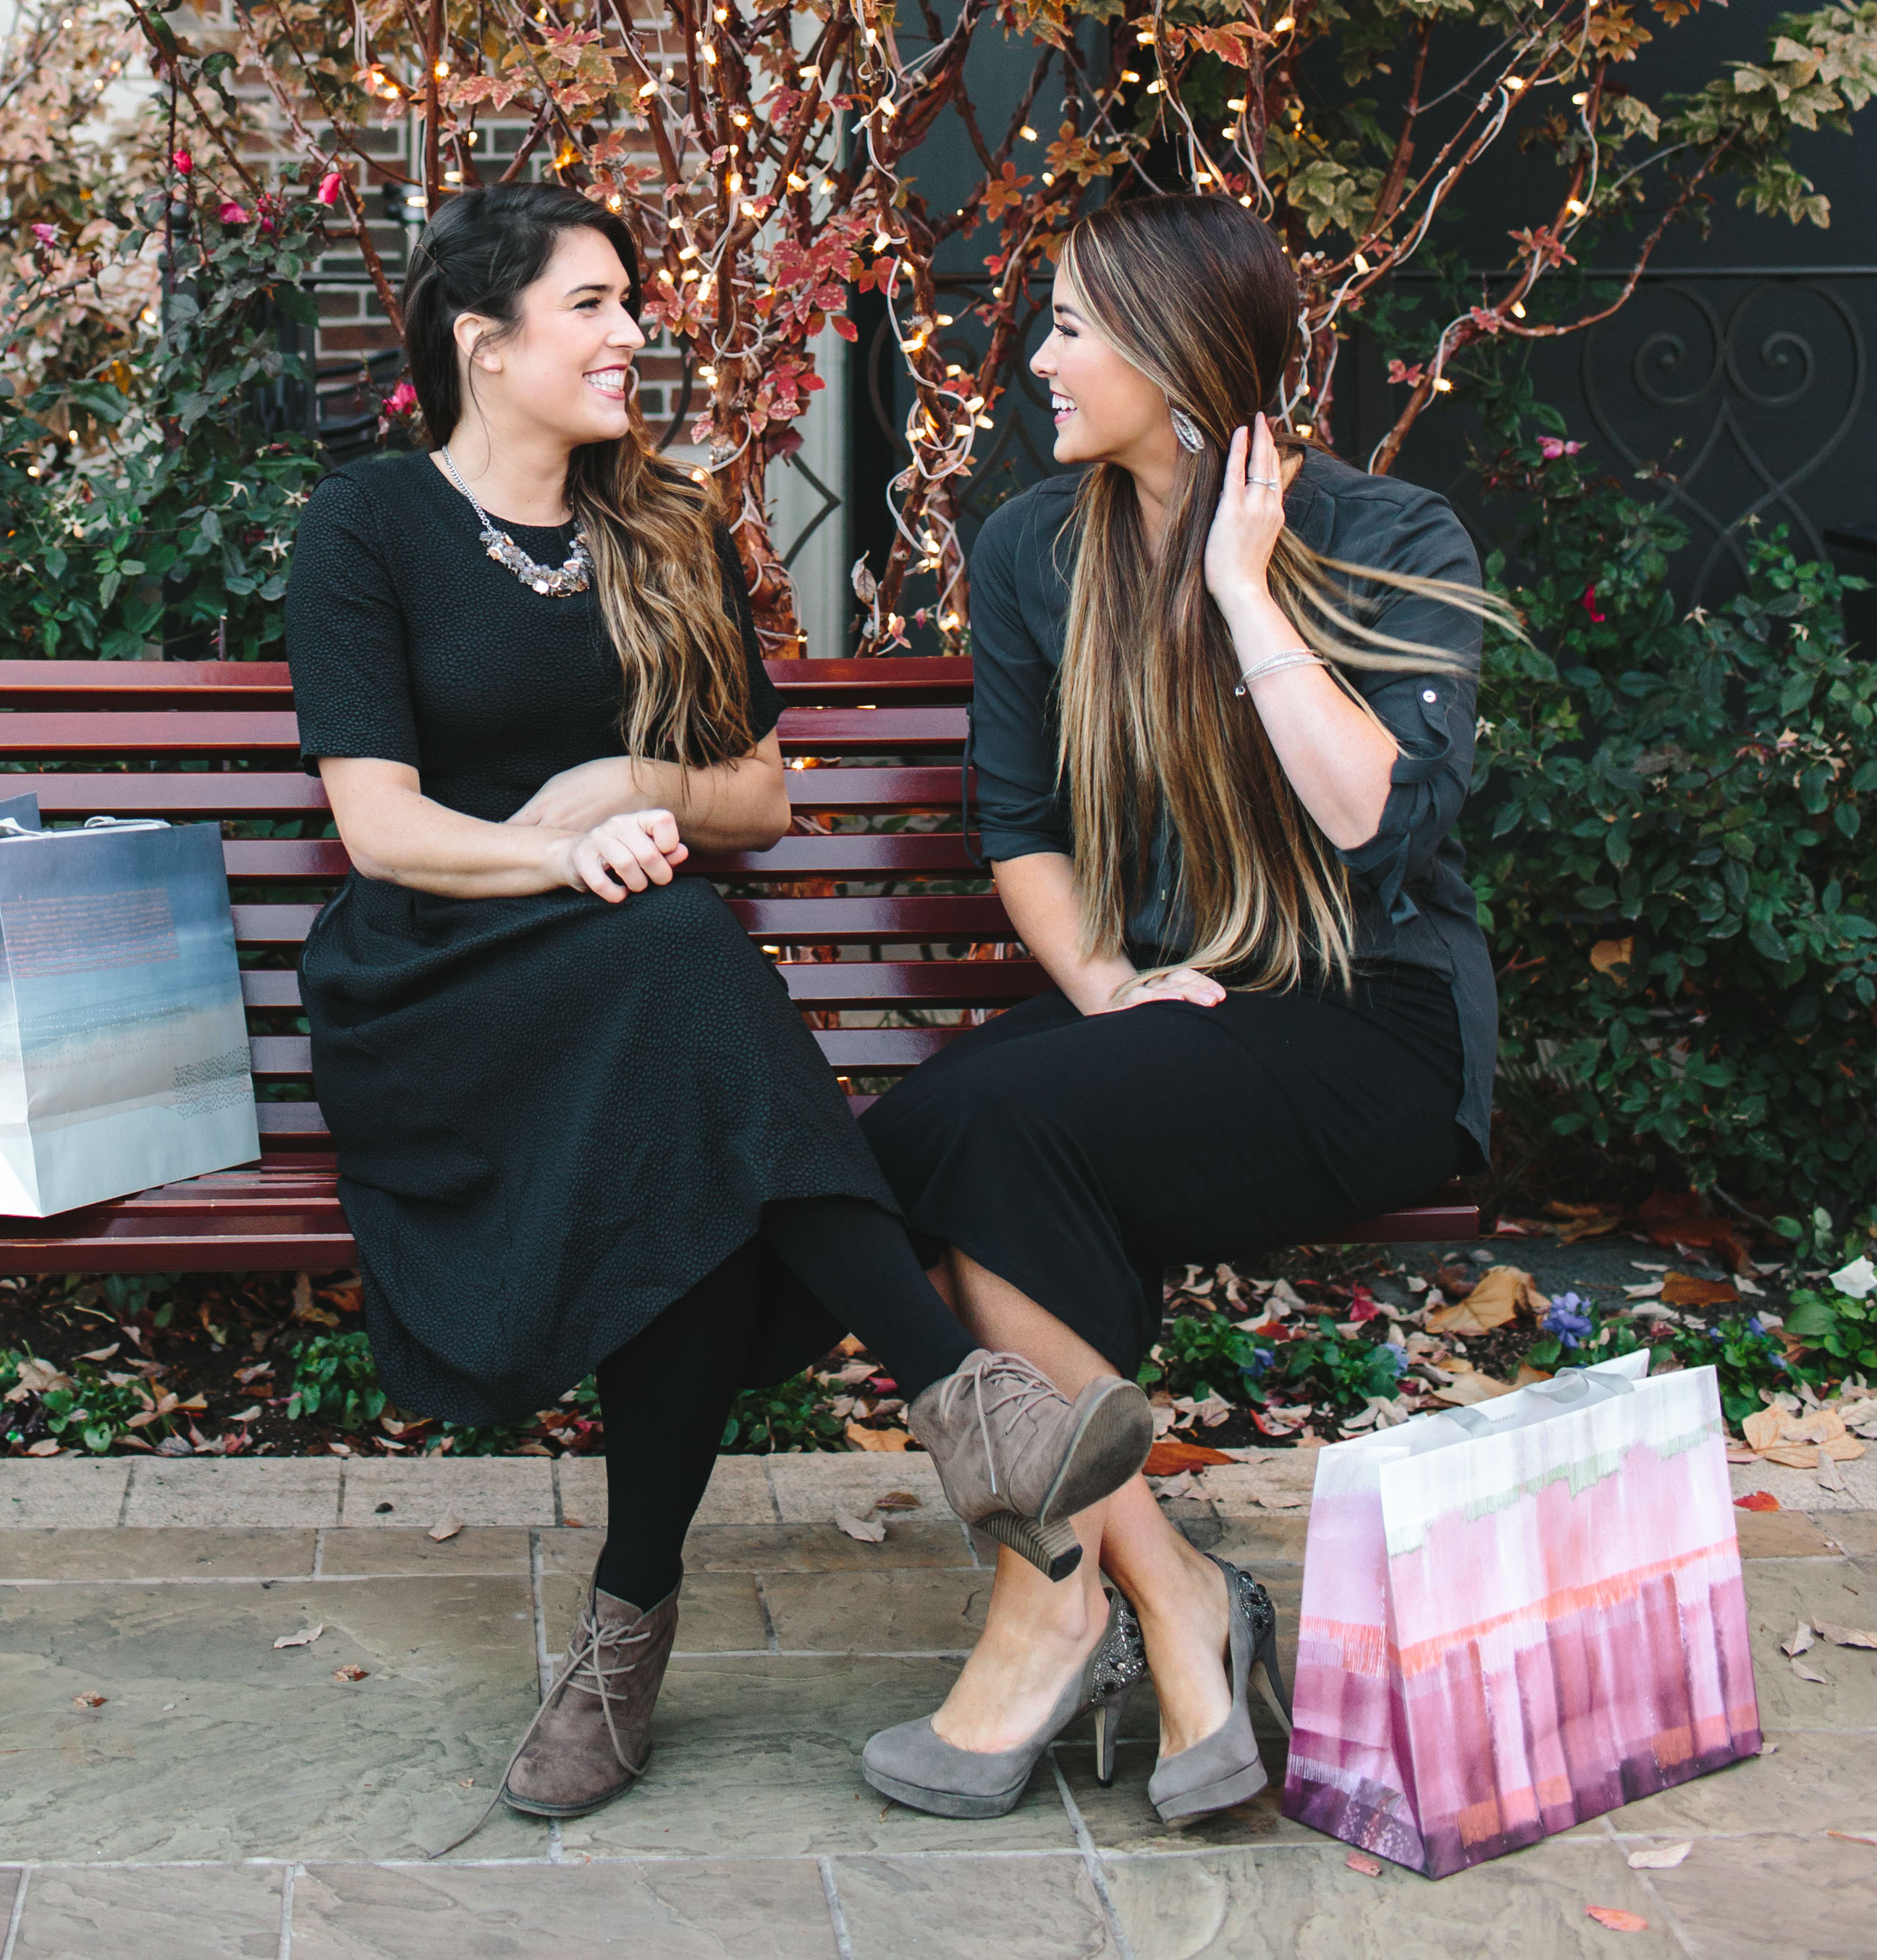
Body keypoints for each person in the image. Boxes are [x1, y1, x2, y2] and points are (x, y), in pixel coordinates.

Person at [284, 179, 1155, 1817]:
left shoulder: (663, 524)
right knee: (675, 974)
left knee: (675, 1074)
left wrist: (626, 781)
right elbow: (380, 828)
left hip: (633, 998)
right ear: (483, 343)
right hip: (441, 995)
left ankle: (628, 1627)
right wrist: (562, 855)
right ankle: (963, 1400)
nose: (633, 331)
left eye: (631, 300)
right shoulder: (371, 525)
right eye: (593, 303)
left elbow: (754, 798)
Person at [857, 193, 1503, 1827]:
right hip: (1174, 1009)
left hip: (1367, 1024)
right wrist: (1103, 988)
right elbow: (1022, 825)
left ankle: (1059, 1609)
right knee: (911, 1144)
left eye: (1073, 326)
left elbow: (1371, 818)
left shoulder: (1390, 532)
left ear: (1177, 350)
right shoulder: (1036, 548)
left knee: (973, 1138)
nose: (1039, 358)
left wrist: (1242, 588)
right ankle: (1152, 1587)